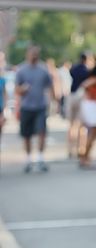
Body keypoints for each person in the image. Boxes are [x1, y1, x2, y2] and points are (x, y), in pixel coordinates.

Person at [14, 45, 54, 173]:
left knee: (41, 132)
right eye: (32, 54)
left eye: (36, 54)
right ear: (27, 54)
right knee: (27, 135)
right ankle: (28, 159)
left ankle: (41, 158)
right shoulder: (21, 70)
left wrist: (53, 102)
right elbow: (16, 90)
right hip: (26, 106)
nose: (34, 56)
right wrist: (22, 90)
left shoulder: (43, 69)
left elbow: (50, 86)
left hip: (40, 106)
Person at [67, 52, 92, 158]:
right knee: (82, 126)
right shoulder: (87, 71)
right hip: (82, 97)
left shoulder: (74, 69)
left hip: (72, 96)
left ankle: (70, 149)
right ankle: (80, 149)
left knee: (72, 125)